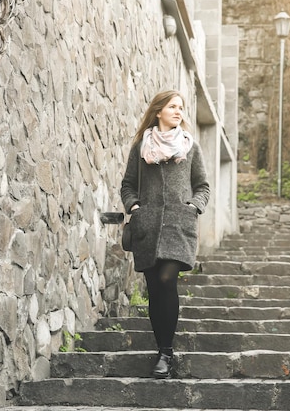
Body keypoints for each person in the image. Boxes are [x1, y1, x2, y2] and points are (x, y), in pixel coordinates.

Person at [120, 90, 210, 378]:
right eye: (173, 106)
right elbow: (128, 185)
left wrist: (193, 207)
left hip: (179, 227)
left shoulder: (190, 146)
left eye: (181, 107)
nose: (178, 111)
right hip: (147, 228)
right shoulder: (140, 147)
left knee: (167, 279)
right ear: (158, 111)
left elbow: (202, 186)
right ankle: (162, 350)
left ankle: (166, 353)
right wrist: (134, 207)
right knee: (155, 290)